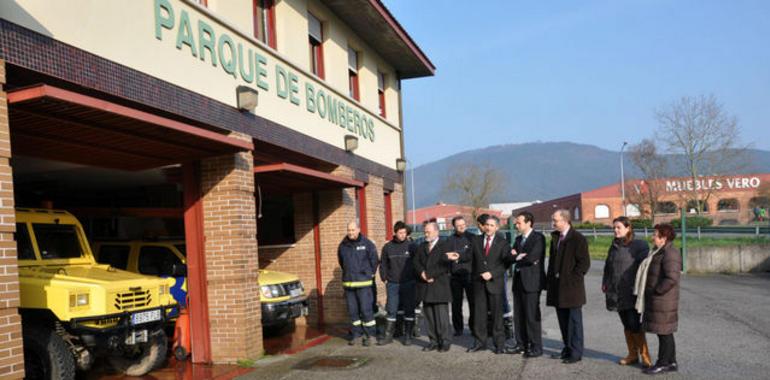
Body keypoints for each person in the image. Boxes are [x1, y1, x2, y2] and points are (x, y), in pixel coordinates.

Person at [602, 216, 652, 367]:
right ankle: (632, 354)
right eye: (614, 228)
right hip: (615, 291)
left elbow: (644, 268)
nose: (616, 230)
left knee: (634, 323)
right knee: (626, 324)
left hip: (631, 291)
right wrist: (605, 283)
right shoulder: (614, 245)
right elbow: (607, 266)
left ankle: (645, 356)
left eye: (619, 227)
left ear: (628, 228)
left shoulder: (638, 245)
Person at [634, 223, 682, 375]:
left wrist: (656, 291)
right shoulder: (659, 251)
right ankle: (671, 362)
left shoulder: (670, 253)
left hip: (663, 300)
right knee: (666, 332)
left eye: (655, 234)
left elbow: (672, 278)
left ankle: (662, 363)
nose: (652, 237)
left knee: (664, 332)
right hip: (660, 299)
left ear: (664, 237)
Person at [546, 209, 590, 364]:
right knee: (563, 321)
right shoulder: (556, 237)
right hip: (557, 287)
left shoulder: (577, 238)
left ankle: (576, 352)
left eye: (555, 220)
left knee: (574, 322)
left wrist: (571, 279)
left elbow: (584, 264)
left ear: (565, 220)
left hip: (572, 289)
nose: (553, 223)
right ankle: (567, 348)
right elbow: (552, 262)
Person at [468, 216, 511, 354]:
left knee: (497, 316)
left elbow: (505, 264)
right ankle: (480, 342)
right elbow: (468, 256)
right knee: (479, 315)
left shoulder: (503, 243)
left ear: (497, 227)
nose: (488, 227)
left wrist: (492, 273)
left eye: (492, 225)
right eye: (487, 225)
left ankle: (499, 344)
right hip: (479, 284)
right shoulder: (476, 240)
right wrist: (457, 256)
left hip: (494, 283)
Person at [507, 211, 546, 358]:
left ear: (529, 222)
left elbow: (532, 258)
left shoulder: (538, 238)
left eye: (519, 222)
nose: (516, 225)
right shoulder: (518, 239)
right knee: (519, 316)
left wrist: (517, 258)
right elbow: (510, 257)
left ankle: (536, 346)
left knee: (531, 316)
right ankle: (521, 344)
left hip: (531, 282)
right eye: (516, 222)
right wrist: (516, 257)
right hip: (518, 282)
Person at [413, 222, 455, 352]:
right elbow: (416, 262)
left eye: (428, 232)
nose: (426, 234)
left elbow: (445, 264)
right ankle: (433, 341)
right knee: (429, 316)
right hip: (425, 285)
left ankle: (445, 341)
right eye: (425, 232)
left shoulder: (445, 245)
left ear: (437, 232)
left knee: (441, 316)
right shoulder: (422, 246)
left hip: (439, 285)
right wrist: (422, 273)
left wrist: (431, 274)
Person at [338, 221, 379, 346]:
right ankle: (357, 335)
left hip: (364, 284)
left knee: (366, 310)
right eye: (349, 230)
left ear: (358, 229)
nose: (351, 233)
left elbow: (374, 260)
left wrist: (369, 274)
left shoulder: (367, 244)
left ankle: (371, 335)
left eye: (353, 230)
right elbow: (342, 262)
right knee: (353, 311)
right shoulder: (343, 245)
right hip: (349, 285)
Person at [378, 221, 417, 346]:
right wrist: (384, 277)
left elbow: (418, 263)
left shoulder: (412, 246)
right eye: (400, 233)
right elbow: (383, 263)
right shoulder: (388, 247)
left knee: (409, 309)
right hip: (393, 284)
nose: (402, 235)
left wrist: (415, 278)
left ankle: (408, 336)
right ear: (395, 233)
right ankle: (388, 336)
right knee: (392, 309)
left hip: (409, 283)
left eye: (404, 233)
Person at [447, 216, 475, 336]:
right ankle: (458, 328)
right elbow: (446, 256)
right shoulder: (449, 240)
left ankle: (474, 327)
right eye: (458, 225)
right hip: (455, 275)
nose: (462, 226)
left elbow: (474, 255)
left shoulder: (473, 238)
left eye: (463, 224)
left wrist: (458, 257)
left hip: (470, 274)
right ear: (454, 227)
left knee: (473, 302)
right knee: (456, 304)